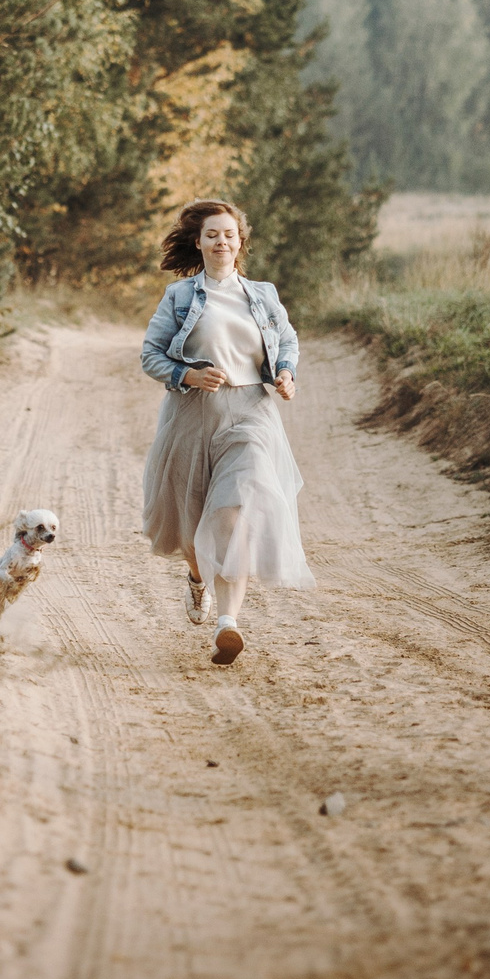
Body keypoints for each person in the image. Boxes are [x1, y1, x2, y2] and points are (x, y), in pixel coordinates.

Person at [138, 198, 312, 666]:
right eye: (212, 234)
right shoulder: (179, 297)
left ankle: (228, 625)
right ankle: (197, 578)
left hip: (251, 413)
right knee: (194, 530)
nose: (221, 242)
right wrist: (188, 376)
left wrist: (287, 372)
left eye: (229, 235)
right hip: (192, 414)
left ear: (240, 243)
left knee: (233, 514)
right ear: (199, 242)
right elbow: (151, 355)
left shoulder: (263, 294)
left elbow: (287, 339)